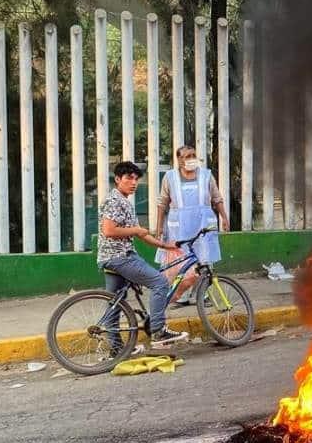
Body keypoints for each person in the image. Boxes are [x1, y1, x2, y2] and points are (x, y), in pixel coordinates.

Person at [98, 161, 187, 348]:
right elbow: (109, 230)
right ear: (117, 179)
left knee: (115, 304)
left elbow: (141, 233)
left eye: (136, 179)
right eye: (129, 178)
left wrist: (166, 245)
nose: (134, 182)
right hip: (120, 256)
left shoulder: (125, 203)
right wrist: (136, 231)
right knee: (160, 282)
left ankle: (116, 350)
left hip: (111, 258)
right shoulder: (115, 201)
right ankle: (159, 331)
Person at [153, 145, 229, 306]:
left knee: (204, 258)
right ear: (179, 160)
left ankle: (203, 294)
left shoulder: (206, 175)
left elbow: (217, 198)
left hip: (202, 223)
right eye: (187, 156)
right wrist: (159, 227)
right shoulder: (170, 177)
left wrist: (224, 217)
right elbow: (162, 203)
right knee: (181, 261)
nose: (191, 159)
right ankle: (181, 294)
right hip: (179, 226)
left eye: (193, 155)